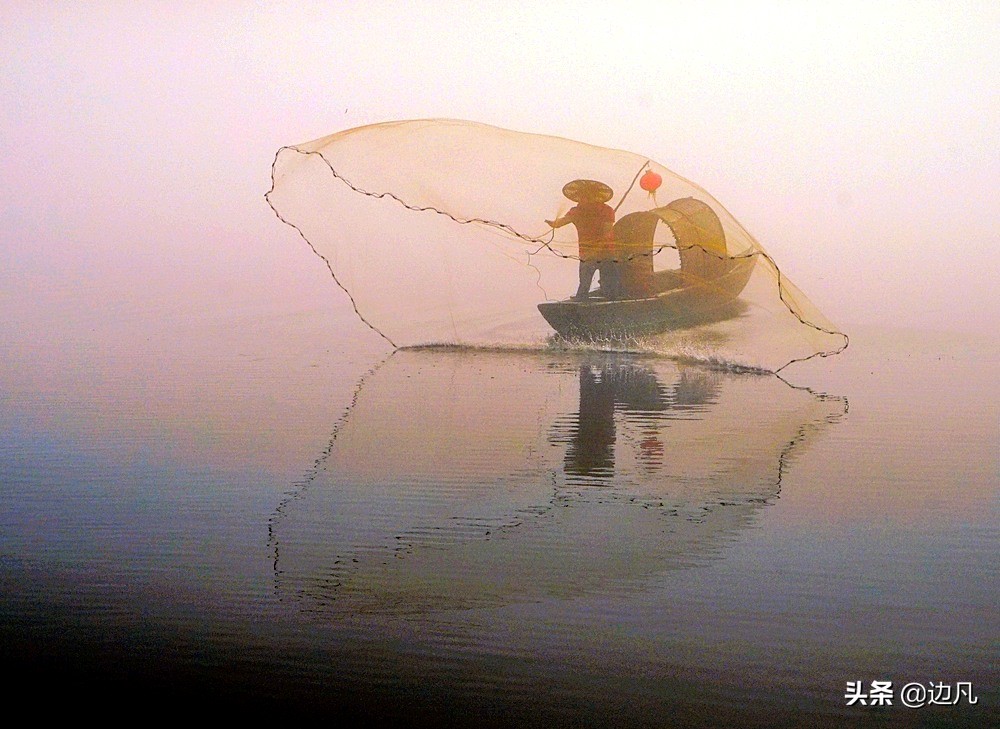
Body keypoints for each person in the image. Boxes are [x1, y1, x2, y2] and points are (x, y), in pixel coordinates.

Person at [545, 179, 620, 300]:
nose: (585, 198)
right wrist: (553, 223)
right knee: (584, 286)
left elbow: (606, 233)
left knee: (610, 287)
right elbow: (559, 223)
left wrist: (595, 250)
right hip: (587, 255)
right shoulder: (576, 212)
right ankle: (582, 303)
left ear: (595, 196)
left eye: (589, 195)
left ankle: (611, 303)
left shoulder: (607, 210)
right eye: (583, 196)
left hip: (606, 254)